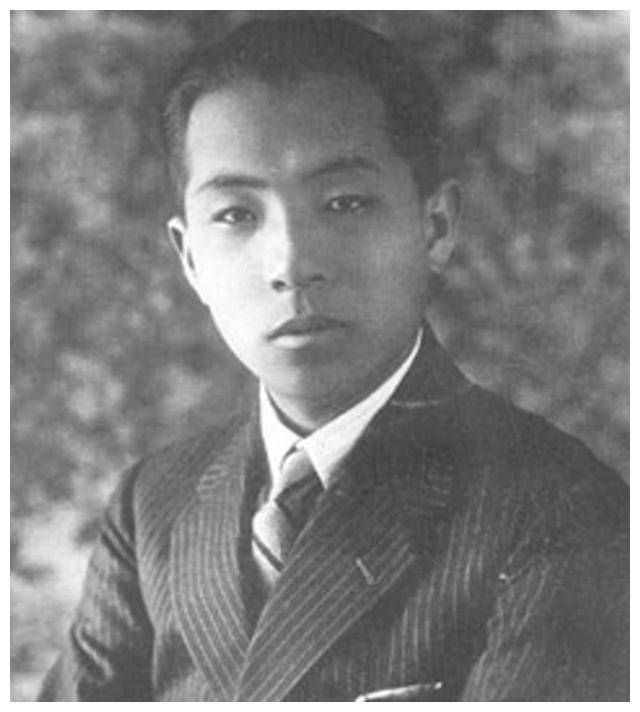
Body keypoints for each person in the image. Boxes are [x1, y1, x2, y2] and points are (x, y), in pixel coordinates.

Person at [39, 14, 629, 702]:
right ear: (190, 257)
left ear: (434, 226)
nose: (291, 263)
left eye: (345, 202)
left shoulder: (556, 507)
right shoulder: (152, 505)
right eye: (236, 214)